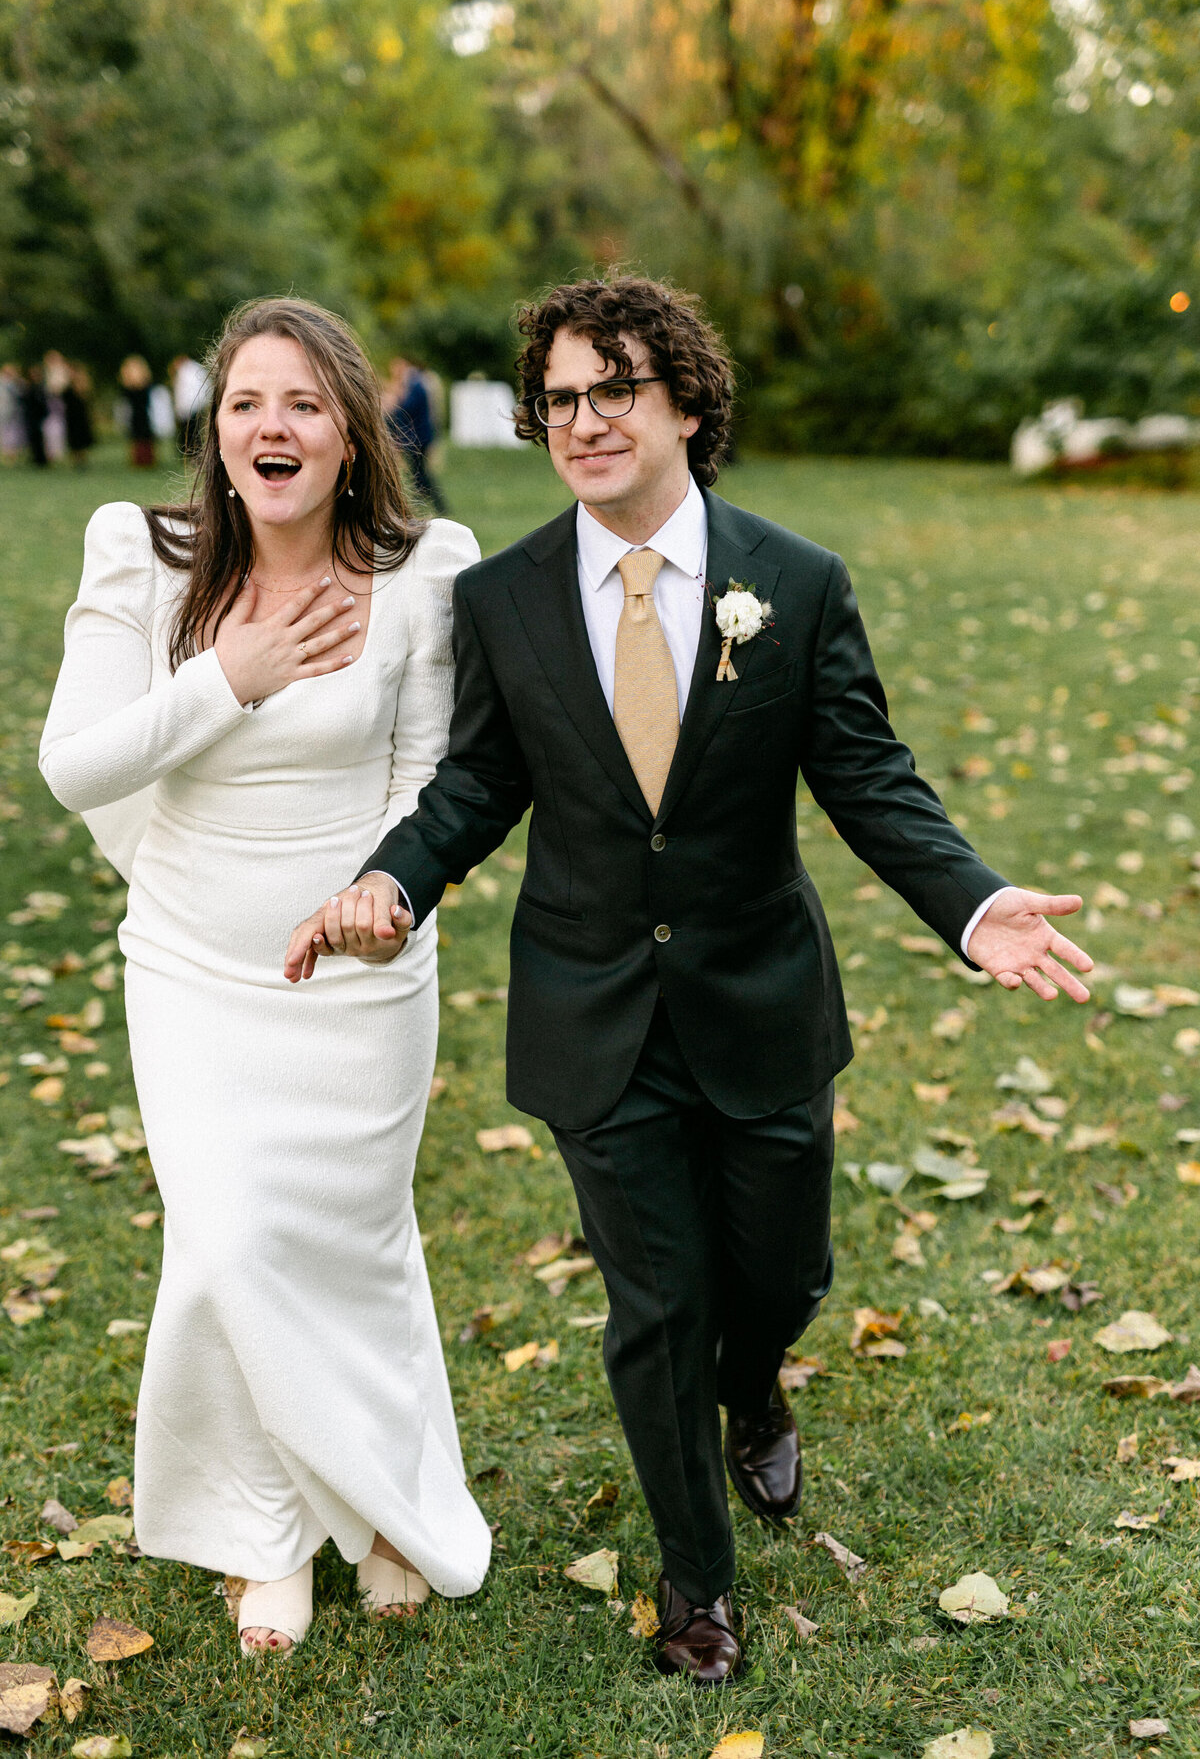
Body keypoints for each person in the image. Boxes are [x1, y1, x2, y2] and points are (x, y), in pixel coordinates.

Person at [284, 272, 1094, 1685]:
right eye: (562, 399)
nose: (586, 420)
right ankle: (698, 1583)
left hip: (760, 1000)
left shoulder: (793, 582)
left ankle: (761, 1378)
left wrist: (971, 905)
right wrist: (395, 880)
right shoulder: (506, 595)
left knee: (777, 1273)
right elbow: (481, 776)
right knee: (656, 1300)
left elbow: (868, 778)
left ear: (686, 403)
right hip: (595, 1008)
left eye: (617, 389)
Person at [41, 296, 490, 1658]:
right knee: (225, 1247)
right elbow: (76, 764)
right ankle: (260, 1529)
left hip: (357, 978)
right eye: (247, 401)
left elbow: (428, 774)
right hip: (190, 969)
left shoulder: (426, 569)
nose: (272, 425)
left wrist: (389, 900)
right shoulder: (148, 553)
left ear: (352, 435)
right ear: (217, 429)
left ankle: (391, 1504)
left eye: (303, 403)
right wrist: (225, 675)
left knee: (356, 1246)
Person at [384, 355, 446, 513]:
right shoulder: (414, 382)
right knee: (418, 472)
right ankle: (422, 504)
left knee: (421, 473)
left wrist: (395, 401)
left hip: (420, 437)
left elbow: (407, 407)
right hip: (417, 436)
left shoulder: (416, 384)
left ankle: (436, 505)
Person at [170, 353, 212, 456]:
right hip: (194, 406)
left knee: (191, 432)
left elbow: (184, 393)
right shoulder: (194, 369)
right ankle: (191, 452)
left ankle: (190, 452)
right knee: (192, 432)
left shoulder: (186, 372)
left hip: (191, 408)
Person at [119, 354, 156, 467]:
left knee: (145, 436)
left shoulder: (145, 385)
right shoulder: (129, 387)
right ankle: (139, 460)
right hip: (135, 415)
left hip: (143, 414)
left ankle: (147, 459)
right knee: (136, 437)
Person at [62, 364, 95, 469]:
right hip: (71, 417)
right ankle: (76, 460)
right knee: (73, 440)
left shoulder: (82, 387)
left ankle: (81, 459)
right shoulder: (67, 388)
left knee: (80, 439)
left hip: (80, 417)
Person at [20, 364, 48, 467]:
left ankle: (41, 459)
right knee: (33, 438)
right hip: (31, 416)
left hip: (38, 416)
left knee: (39, 438)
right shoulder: (29, 388)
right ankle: (36, 458)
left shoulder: (39, 388)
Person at [0, 363, 26, 465]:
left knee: (15, 434)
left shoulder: (18, 383)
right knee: (5, 434)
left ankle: (13, 455)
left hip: (15, 412)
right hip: (4, 412)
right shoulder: (2, 383)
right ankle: (7, 455)